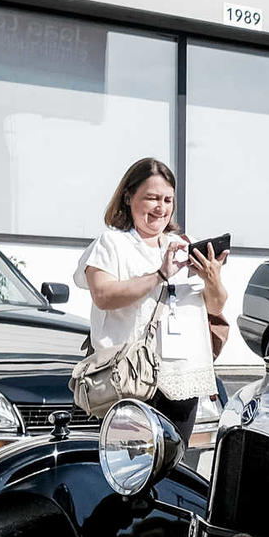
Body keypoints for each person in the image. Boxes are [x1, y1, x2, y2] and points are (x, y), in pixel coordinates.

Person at [74, 157, 230, 444]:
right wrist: (159, 274)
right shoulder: (112, 243)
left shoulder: (183, 242)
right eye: (152, 198)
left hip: (183, 379)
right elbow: (104, 295)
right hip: (131, 379)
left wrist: (212, 277)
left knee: (174, 466)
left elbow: (216, 305)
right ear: (128, 197)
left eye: (168, 200)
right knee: (131, 471)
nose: (161, 208)